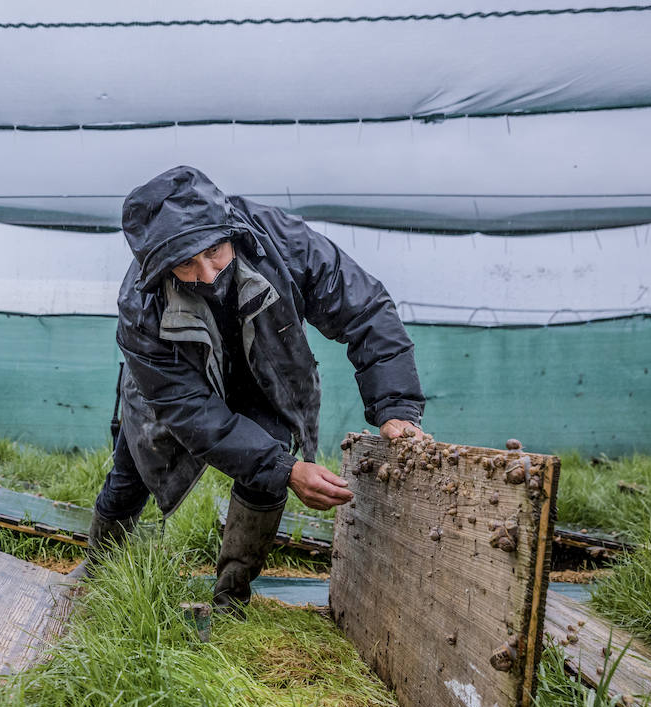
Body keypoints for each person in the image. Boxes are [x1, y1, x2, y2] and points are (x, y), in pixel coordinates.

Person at [87, 165, 425, 616]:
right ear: (160, 267)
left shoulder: (284, 242)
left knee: (267, 471)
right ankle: (95, 573)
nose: (207, 275)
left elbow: (365, 309)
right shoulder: (140, 308)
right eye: (186, 264)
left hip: (261, 374)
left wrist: (395, 405)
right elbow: (191, 413)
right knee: (129, 479)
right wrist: (286, 470)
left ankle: (231, 599)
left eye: (214, 251)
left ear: (232, 231)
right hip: (167, 395)